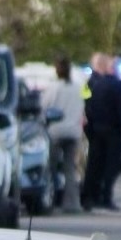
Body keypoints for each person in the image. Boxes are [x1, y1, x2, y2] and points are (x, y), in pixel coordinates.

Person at [80, 53, 121, 212]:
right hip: (111, 130)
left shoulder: (91, 84)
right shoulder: (113, 85)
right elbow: (120, 110)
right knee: (108, 165)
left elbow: (87, 106)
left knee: (94, 165)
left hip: (95, 129)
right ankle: (102, 196)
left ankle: (90, 196)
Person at [42, 55, 86, 213]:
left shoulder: (53, 88)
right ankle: (72, 203)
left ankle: (51, 200)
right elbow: (84, 106)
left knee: (50, 167)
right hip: (74, 132)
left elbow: (44, 107)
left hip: (55, 132)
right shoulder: (78, 87)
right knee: (70, 169)